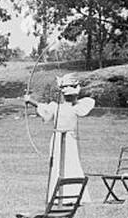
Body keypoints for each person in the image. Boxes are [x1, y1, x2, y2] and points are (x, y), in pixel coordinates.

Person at [25, 74, 95, 204]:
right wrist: (30, 100)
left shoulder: (67, 107)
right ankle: (66, 195)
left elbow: (42, 107)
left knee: (67, 163)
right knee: (63, 164)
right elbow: (44, 107)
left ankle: (68, 195)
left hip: (67, 139)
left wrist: (29, 100)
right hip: (62, 139)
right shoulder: (63, 107)